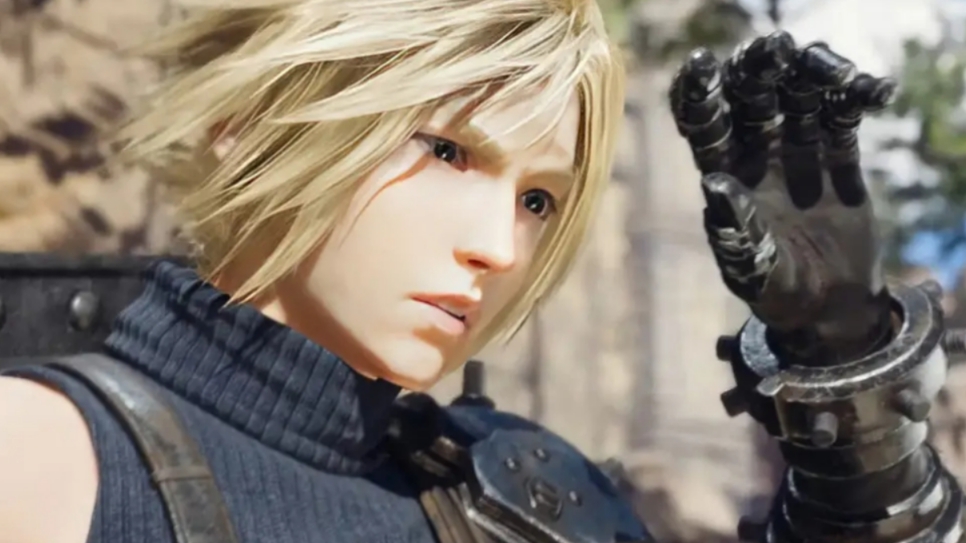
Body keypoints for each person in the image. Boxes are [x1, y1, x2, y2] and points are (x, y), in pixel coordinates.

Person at [0, 1, 639, 543]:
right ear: (249, 126)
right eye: (448, 151)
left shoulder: (517, 508)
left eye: (536, 201)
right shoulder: (39, 459)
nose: (499, 249)